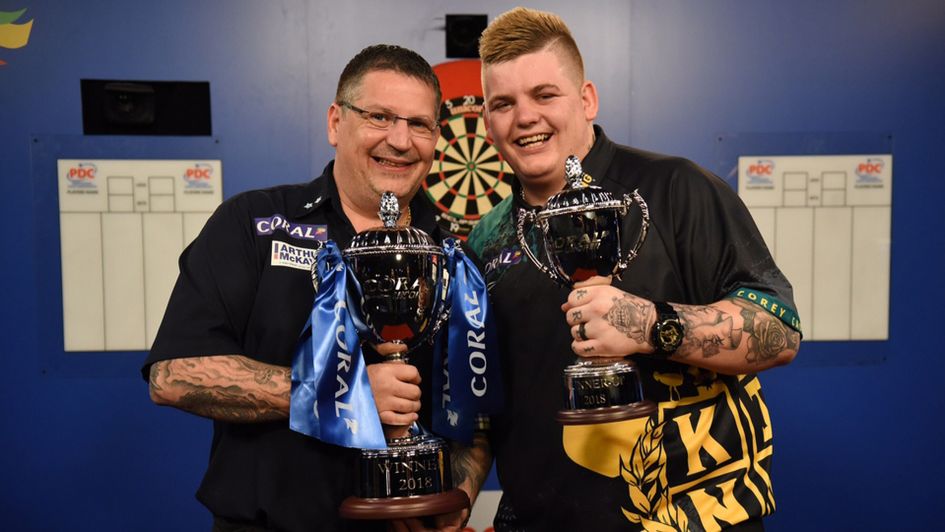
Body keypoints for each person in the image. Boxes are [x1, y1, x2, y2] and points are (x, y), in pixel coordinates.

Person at [466, 7, 802, 531]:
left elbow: (780, 332)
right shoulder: (487, 239)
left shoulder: (676, 189)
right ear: (487, 123)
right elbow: (487, 399)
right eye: (503, 104)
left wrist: (649, 324)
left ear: (587, 100)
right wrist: (462, 489)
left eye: (544, 95)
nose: (524, 117)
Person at [144, 44, 490, 532]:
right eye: (379, 116)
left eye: (419, 124)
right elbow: (174, 375)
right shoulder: (255, 223)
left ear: (436, 138)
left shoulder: (454, 258)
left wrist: (461, 493)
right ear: (335, 122)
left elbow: (475, 412)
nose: (399, 140)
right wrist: (340, 394)